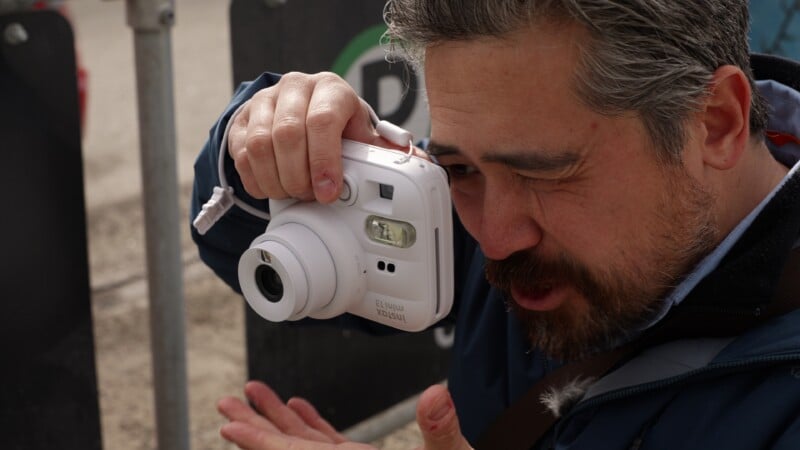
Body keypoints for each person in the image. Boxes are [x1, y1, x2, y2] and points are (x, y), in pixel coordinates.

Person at [191, 0, 800, 448]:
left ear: (715, 123)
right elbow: (233, 239)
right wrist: (265, 143)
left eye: (544, 175)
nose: (495, 240)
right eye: (457, 167)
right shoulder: (511, 223)